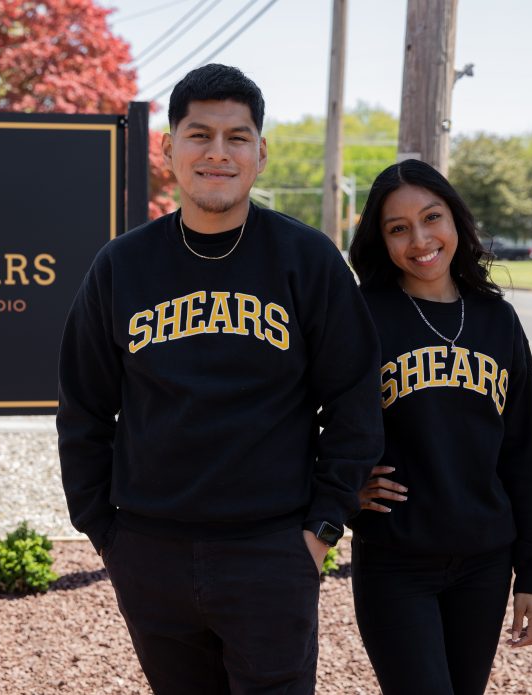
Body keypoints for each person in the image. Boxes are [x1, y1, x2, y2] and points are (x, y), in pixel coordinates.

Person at [56, 64, 384, 694]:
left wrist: (320, 531)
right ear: (168, 148)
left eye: (237, 137)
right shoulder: (122, 266)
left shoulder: (306, 259)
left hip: (271, 552)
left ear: (260, 153)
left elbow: (353, 399)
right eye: (199, 134)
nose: (217, 152)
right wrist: (105, 531)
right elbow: (84, 408)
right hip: (150, 551)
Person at [347, 158, 532, 695]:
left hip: (484, 565)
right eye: (398, 228)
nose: (420, 239)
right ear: (382, 239)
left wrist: (531, 575)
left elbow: (522, 453)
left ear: (455, 221)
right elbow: (299, 413)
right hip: (395, 563)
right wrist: (342, 486)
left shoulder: (496, 319)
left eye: (432, 217)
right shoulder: (361, 315)